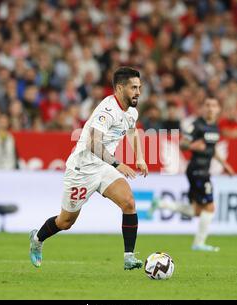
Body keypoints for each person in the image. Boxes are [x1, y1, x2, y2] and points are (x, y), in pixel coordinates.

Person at [29, 67, 148, 269]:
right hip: (82, 169)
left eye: (139, 87)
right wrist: (118, 164)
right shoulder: (107, 110)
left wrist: (140, 157)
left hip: (104, 166)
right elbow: (93, 144)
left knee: (128, 203)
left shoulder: (131, 112)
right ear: (120, 88)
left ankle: (129, 257)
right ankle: (37, 239)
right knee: (66, 222)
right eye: (133, 88)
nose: (138, 92)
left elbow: (132, 131)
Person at [149, 97, 235, 252]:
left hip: (203, 170)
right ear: (203, 108)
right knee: (210, 207)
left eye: (213, 105)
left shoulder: (215, 127)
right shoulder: (196, 126)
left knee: (197, 211)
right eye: (207, 105)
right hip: (197, 170)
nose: (210, 108)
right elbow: (182, 144)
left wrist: (224, 164)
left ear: (218, 109)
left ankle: (162, 204)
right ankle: (199, 243)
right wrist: (193, 145)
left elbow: (211, 148)